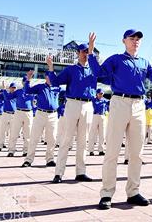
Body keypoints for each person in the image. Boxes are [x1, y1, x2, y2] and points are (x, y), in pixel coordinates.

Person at [88, 30, 152, 210]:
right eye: (132, 38)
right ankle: (106, 193)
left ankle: (133, 191)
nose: (135, 41)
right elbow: (99, 74)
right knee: (112, 150)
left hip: (138, 105)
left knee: (137, 152)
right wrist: (90, 54)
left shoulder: (144, 62)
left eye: (138, 39)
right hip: (119, 101)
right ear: (124, 41)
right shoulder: (116, 59)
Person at [46, 43, 97, 183]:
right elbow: (55, 82)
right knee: (66, 139)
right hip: (73, 103)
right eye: (83, 51)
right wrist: (51, 67)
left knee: (83, 141)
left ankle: (81, 172)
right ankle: (58, 173)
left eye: (88, 51)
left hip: (88, 105)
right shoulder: (71, 70)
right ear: (77, 53)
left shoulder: (94, 70)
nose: (86, 54)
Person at [7, 75, 34, 157]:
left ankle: (26, 151)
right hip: (18, 112)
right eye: (24, 81)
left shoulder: (32, 91)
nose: (25, 83)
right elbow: (9, 97)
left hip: (28, 113)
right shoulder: (18, 91)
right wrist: (6, 90)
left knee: (28, 134)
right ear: (22, 82)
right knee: (14, 132)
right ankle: (11, 150)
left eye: (27, 81)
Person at [88, 88, 109, 156]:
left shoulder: (105, 100)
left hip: (102, 116)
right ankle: (91, 150)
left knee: (102, 134)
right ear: (96, 94)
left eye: (102, 94)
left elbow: (110, 103)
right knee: (92, 134)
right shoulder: (93, 100)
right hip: (94, 116)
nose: (101, 95)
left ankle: (101, 150)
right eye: (99, 93)